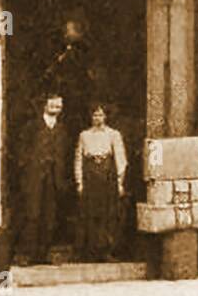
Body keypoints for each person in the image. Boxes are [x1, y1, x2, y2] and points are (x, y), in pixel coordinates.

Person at [13, 93, 72, 264]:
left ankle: (43, 254)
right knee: (33, 214)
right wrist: (28, 170)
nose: (56, 108)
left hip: (53, 178)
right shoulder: (32, 126)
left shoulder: (61, 129)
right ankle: (28, 255)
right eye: (52, 104)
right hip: (34, 178)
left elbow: (64, 155)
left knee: (49, 216)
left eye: (59, 105)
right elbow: (22, 151)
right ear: (44, 105)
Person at [74, 104, 128, 261]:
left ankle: (106, 251)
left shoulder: (113, 134)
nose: (97, 118)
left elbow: (121, 159)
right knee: (90, 214)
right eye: (95, 115)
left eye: (100, 115)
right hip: (90, 176)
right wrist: (79, 182)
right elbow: (78, 159)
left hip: (107, 175)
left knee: (108, 214)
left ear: (106, 117)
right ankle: (90, 251)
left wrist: (119, 182)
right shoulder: (84, 135)